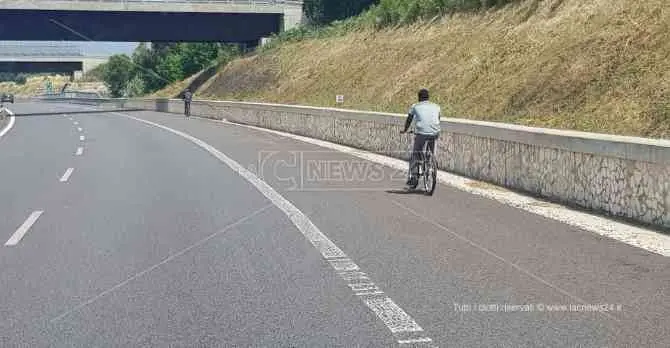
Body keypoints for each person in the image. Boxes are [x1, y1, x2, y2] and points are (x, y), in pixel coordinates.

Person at [400, 88, 441, 189]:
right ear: (428, 97)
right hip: (435, 132)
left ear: (419, 98)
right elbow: (437, 118)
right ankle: (431, 162)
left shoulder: (415, 106)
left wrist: (405, 130)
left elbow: (409, 119)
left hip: (421, 133)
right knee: (430, 150)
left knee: (415, 154)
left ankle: (414, 178)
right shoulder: (436, 106)